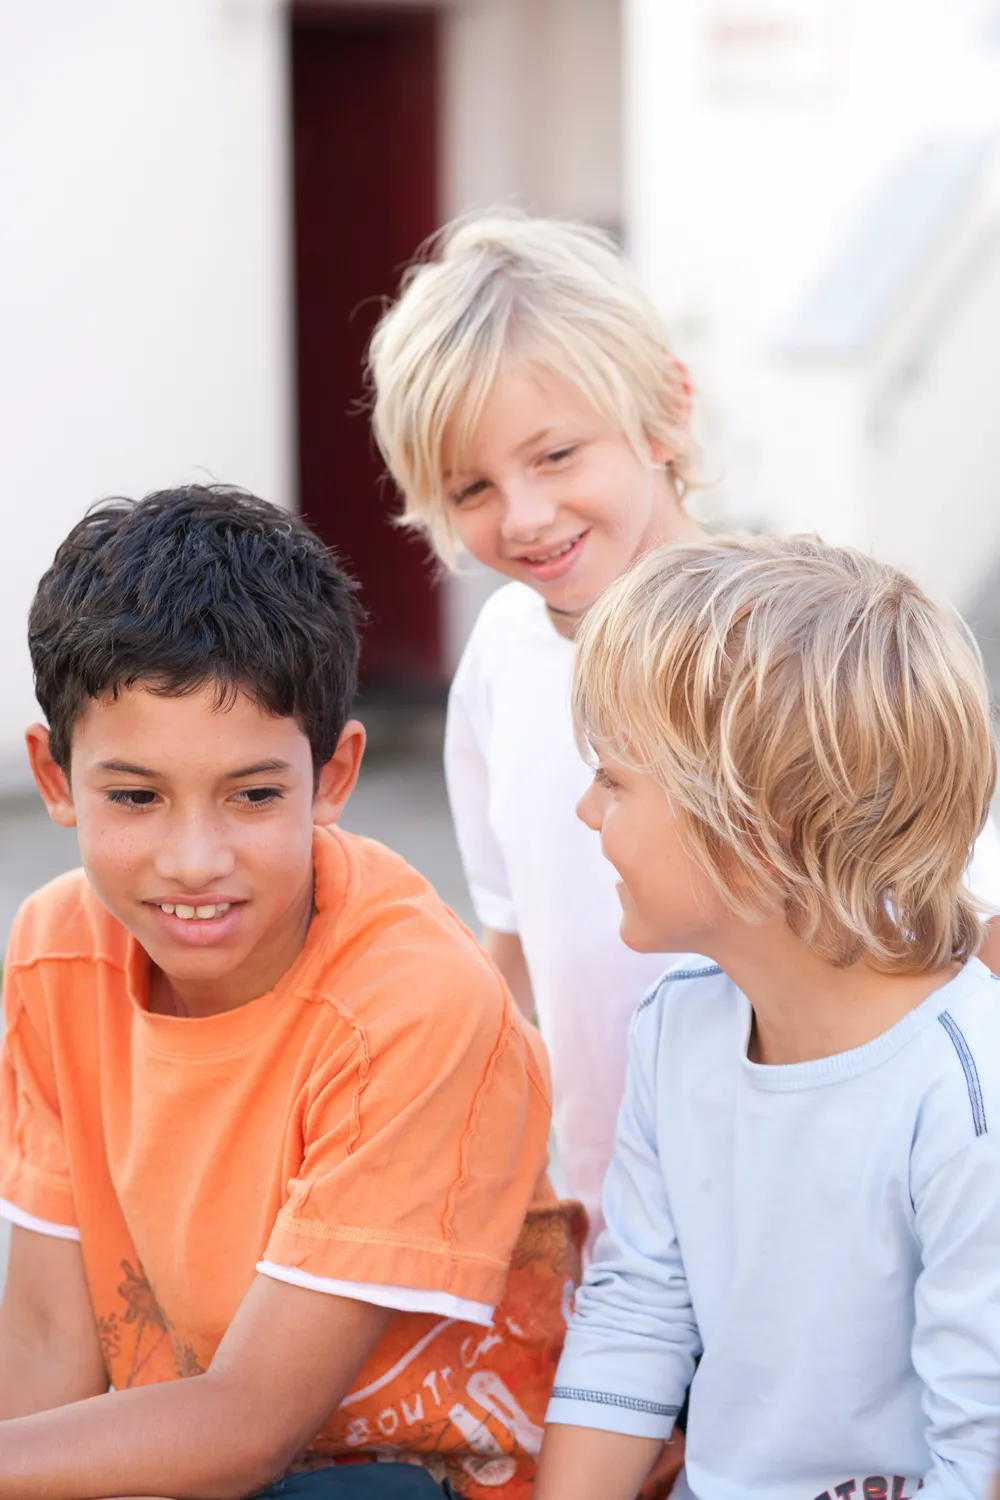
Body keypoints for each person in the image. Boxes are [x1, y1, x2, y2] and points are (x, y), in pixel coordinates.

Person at [368, 209, 1000, 1251]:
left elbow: (968, 923)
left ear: (663, 414)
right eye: (471, 487)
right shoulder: (498, 663)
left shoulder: (794, 648)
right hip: (623, 1233)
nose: (520, 517)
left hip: (834, 1226)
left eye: (556, 454)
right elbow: (512, 949)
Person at [0, 486, 581, 1500]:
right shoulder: (57, 953)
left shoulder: (413, 1005)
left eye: (254, 794)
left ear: (334, 774)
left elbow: (252, 1430)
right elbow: (52, 1337)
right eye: (134, 796)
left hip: (421, 1478)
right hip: (189, 1458)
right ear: (54, 778)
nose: (193, 859)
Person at [535, 535, 1000, 1500]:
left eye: (615, 780)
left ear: (752, 833)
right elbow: (638, 1320)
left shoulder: (964, 1091)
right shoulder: (676, 1028)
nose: (586, 812)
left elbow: (981, 1451)